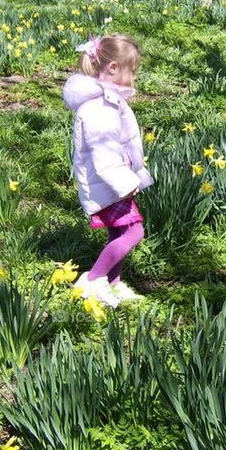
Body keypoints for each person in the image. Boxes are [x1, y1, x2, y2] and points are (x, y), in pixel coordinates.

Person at [63, 34, 153, 306]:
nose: (134, 79)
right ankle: (93, 281)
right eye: (132, 72)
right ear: (112, 68)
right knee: (134, 233)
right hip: (110, 184)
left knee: (118, 232)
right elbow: (104, 153)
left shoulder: (108, 100)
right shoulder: (98, 106)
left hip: (113, 183)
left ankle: (113, 283)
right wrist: (125, 182)